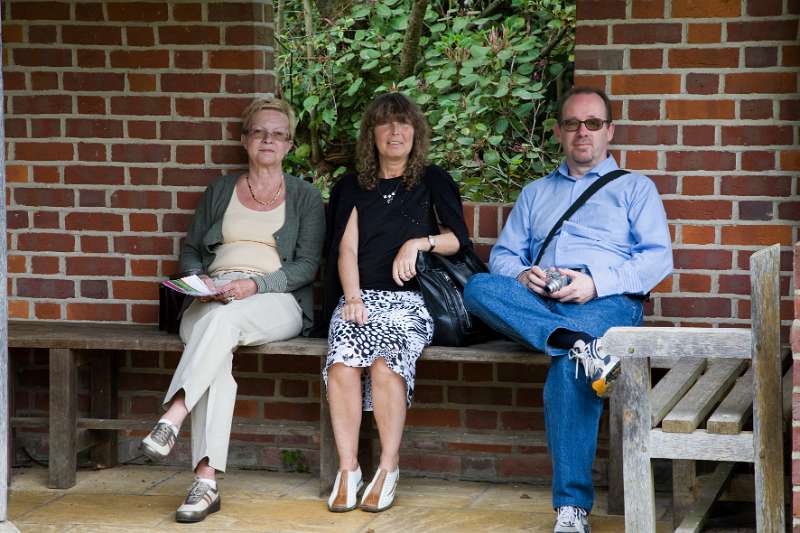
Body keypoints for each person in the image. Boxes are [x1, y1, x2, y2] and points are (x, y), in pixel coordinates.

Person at [463, 86, 672, 533]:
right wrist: (524, 276)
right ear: (559, 132)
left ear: (609, 131)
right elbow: (502, 257)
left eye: (593, 123)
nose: (583, 132)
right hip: (540, 299)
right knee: (479, 286)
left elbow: (657, 259)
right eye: (573, 124)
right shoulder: (536, 193)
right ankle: (574, 343)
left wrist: (595, 284)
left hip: (607, 302)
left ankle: (571, 509)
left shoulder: (636, 189)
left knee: (569, 370)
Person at [140, 97, 325, 523]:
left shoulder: (305, 197)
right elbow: (190, 250)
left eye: (278, 134)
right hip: (213, 298)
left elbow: (305, 267)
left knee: (223, 324)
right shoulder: (220, 190)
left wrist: (252, 285)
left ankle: (174, 414)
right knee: (217, 347)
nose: (268, 140)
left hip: (274, 300)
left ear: (290, 144)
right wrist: (201, 284)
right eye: (259, 131)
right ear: (245, 140)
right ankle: (205, 484)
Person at [322, 93, 470, 513]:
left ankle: (388, 467)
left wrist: (418, 242)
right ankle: (349, 468)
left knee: (387, 360)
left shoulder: (432, 179)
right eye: (385, 123)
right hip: (360, 297)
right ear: (372, 133)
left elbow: (458, 240)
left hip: (411, 302)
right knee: (343, 360)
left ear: (415, 132)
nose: (395, 131)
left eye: (403, 123)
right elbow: (345, 251)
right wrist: (351, 298)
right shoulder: (352, 185)